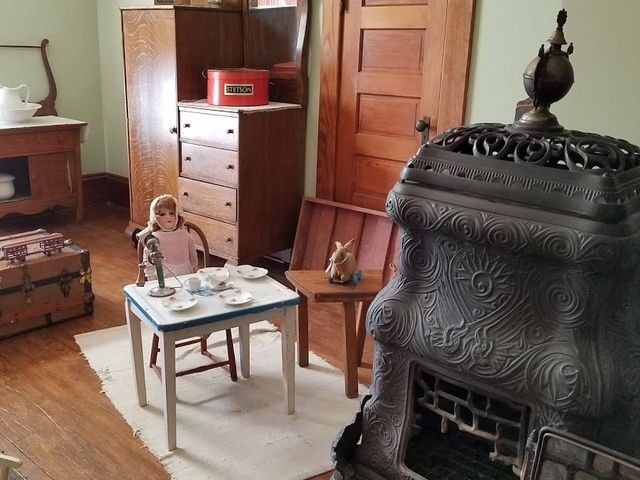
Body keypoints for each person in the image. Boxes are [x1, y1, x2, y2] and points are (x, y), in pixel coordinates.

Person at [136, 194, 197, 280]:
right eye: (162, 214)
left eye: (171, 213)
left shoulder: (184, 234)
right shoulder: (154, 239)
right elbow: (149, 262)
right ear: (155, 217)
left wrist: (194, 270)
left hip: (186, 275)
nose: (168, 217)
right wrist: (151, 280)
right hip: (163, 279)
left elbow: (193, 255)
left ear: (177, 214)